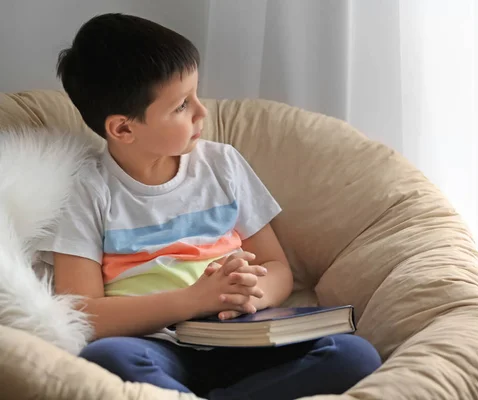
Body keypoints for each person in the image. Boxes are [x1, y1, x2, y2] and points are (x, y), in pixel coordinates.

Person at [39, 13, 381, 399]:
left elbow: (277, 268)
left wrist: (252, 294)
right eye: (182, 105)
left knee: (354, 355)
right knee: (106, 358)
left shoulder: (223, 165)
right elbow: (85, 314)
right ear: (123, 129)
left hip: (243, 337)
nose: (203, 112)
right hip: (158, 347)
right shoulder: (86, 190)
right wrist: (192, 300)